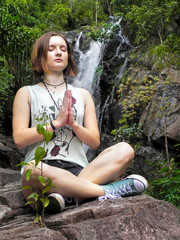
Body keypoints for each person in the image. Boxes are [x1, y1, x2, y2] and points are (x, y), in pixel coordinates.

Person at [12, 31, 148, 214]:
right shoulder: (27, 93)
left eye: (63, 49)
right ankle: (104, 191)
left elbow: (94, 141)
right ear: (40, 56)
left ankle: (65, 196)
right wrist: (56, 124)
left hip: (81, 171)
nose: (59, 52)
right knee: (32, 168)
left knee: (125, 149)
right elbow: (19, 138)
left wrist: (74, 124)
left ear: (69, 56)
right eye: (51, 49)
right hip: (42, 171)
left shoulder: (83, 95)